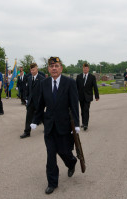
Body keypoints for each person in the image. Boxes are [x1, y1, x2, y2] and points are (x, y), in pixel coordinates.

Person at [30, 57, 80, 194]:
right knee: (51, 155)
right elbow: (40, 104)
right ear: (48, 69)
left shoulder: (69, 83)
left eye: (56, 66)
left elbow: (74, 105)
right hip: (50, 126)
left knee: (64, 152)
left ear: (61, 68)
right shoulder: (44, 83)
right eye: (51, 66)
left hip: (64, 125)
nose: (54, 68)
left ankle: (72, 162)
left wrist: (76, 124)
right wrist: (35, 120)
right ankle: (52, 182)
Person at [20, 63, 45, 138]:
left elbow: (43, 91)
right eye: (31, 70)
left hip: (39, 101)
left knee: (42, 116)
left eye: (33, 69)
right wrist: (26, 98)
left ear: (37, 69)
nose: (32, 71)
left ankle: (48, 128)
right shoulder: (29, 78)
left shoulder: (42, 79)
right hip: (31, 101)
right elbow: (28, 89)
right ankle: (27, 132)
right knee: (28, 117)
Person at [76, 63, 99, 131]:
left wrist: (97, 96)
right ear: (82, 69)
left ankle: (86, 124)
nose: (85, 69)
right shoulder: (79, 76)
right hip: (81, 96)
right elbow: (76, 87)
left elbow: (95, 87)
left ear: (88, 69)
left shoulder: (92, 77)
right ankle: (83, 122)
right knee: (82, 110)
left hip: (88, 96)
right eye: (84, 68)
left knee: (86, 109)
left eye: (86, 68)